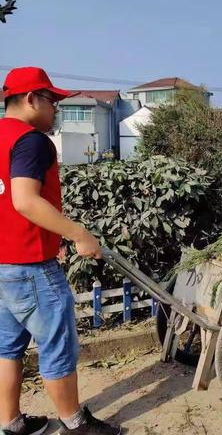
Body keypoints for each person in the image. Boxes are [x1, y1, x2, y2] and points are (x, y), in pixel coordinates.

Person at [0, 67, 121, 435]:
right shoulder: (31, 140)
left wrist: (53, 240)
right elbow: (24, 200)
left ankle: (10, 423)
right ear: (30, 99)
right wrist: (78, 234)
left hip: (3, 264)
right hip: (29, 266)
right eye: (52, 101)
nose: (57, 110)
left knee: (7, 348)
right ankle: (75, 423)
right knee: (57, 345)